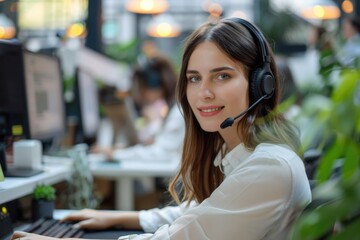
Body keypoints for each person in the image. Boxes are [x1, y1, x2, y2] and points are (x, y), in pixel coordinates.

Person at [11, 17, 311, 240]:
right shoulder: (241, 153)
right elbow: (204, 213)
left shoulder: (269, 166)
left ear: (262, 84)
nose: (203, 92)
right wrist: (125, 217)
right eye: (194, 78)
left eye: (222, 76)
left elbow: (187, 233)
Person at [91, 54, 184, 163]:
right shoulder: (173, 109)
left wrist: (117, 154)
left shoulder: (178, 112)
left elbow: (162, 153)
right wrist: (124, 150)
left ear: (153, 82)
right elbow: (160, 143)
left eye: (141, 88)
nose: (140, 94)